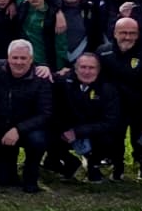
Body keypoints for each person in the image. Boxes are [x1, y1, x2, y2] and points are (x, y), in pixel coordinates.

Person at [97, 17, 142, 180]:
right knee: (115, 139)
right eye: (123, 33)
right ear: (115, 33)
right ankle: (117, 168)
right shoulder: (103, 52)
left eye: (132, 33)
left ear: (138, 35)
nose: (127, 37)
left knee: (141, 139)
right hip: (113, 108)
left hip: (138, 107)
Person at [0, 40, 53, 192]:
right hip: (1, 129)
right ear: (8, 58)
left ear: (31, 59)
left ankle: (31, 175)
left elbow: (45, 114)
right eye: (15, 58)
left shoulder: (41, 78)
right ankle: (8, 167)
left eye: (23, 58)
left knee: (37, 140)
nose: (19, 62)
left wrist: (18, 129)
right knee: (2, 180)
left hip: (28, 130)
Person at [47, 52, 121, 183]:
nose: (87, 71)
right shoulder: (62, 83)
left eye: (91, 68)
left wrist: (78, 132)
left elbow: (110, 122)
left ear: (98, 70)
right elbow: (52, 110)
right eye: (83, 67)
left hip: (93, 131)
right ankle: (69, 163)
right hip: (66, 129)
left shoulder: (108, 89)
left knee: (109, 138)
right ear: (75, 69)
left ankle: (95, 165)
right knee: (45, 133)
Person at [19, 0, 68, 71]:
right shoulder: (22, 7)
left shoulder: (53, 15)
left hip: (46, 64)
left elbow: (61, 45)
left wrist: (59, 68)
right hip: (24, 63)